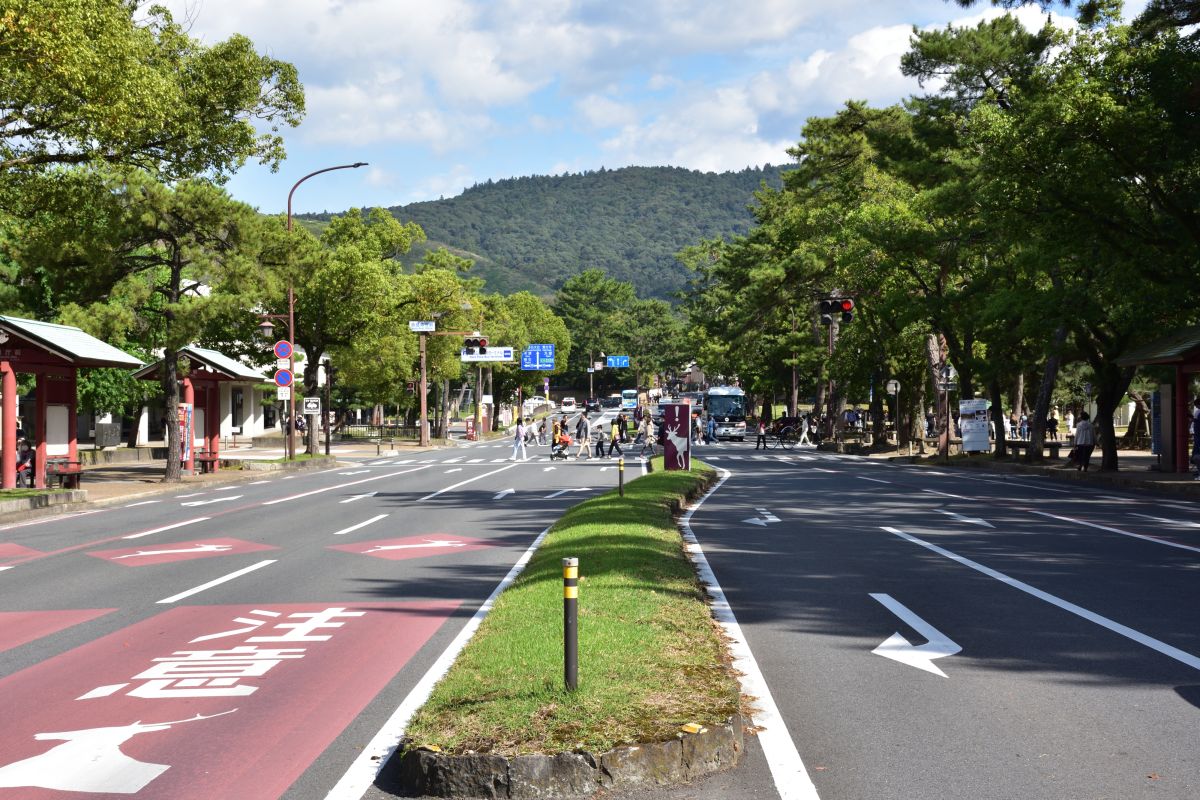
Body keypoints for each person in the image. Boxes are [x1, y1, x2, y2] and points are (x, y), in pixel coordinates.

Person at [1191, 397, 1200, 480]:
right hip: (1197, 436)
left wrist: (1194, 420)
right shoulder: (1198, 412)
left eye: (1197, 405)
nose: (1196, 407)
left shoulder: (1198, 413)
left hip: (1198, 436)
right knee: (1196, 455)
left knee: (1197, 456)